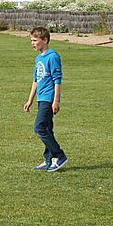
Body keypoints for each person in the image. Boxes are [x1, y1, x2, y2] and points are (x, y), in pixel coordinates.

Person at [23, 26, 67, 172]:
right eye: (31, 40)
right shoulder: (38, 58)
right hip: (41, 98)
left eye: (35, 40)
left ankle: (59, 155)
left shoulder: (53, 57)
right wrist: (30, 100)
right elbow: (36, 80)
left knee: (39, 128)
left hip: (49, 98)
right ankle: (49, 159)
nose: (32, 43)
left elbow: (57, 80)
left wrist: (56, 101)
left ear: (45, 40)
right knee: (47, 128)